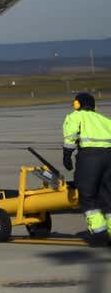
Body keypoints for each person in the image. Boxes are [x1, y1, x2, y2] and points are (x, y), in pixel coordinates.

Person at [64, 91, 111, 246]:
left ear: (77, 104)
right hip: (109, 157)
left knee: (88, 195)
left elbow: (70, 135)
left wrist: (67, 155)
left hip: (90, 157)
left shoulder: (76, 116)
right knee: (107, 195)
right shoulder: (104, 119)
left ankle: (99, 233)